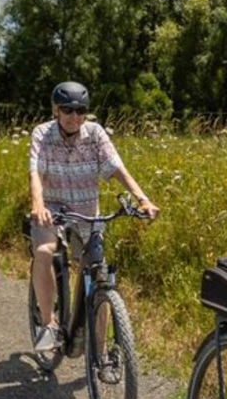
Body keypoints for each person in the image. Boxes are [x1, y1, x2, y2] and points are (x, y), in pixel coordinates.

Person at [28, 80, 159, 354]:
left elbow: (117, 169)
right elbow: (36, 172)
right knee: (43, 251)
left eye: (81, 111)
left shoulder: (95, 134)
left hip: (88, 215)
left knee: (100, 277)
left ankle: (100, 355)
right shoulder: (42, 134)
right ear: (56, 110)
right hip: (53, 210)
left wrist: (142, 198)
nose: (75, 117)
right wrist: (38, 204)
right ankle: (49, 324)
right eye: (68, 110)